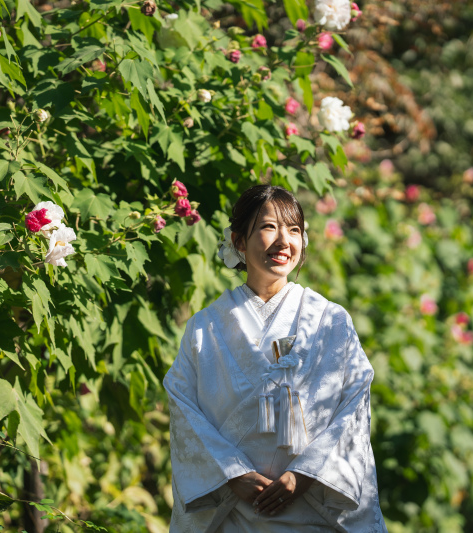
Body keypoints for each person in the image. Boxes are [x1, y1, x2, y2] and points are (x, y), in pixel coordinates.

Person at [163, 185, 386, 532]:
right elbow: (182, 407)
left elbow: (354, 403)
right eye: (269, 227)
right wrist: (232, 474)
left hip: (313, 509)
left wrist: (306, 474)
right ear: (238, 241)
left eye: (294, 230)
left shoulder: (330, 320)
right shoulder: (205, 327)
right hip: (233, 510)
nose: (284, 241)